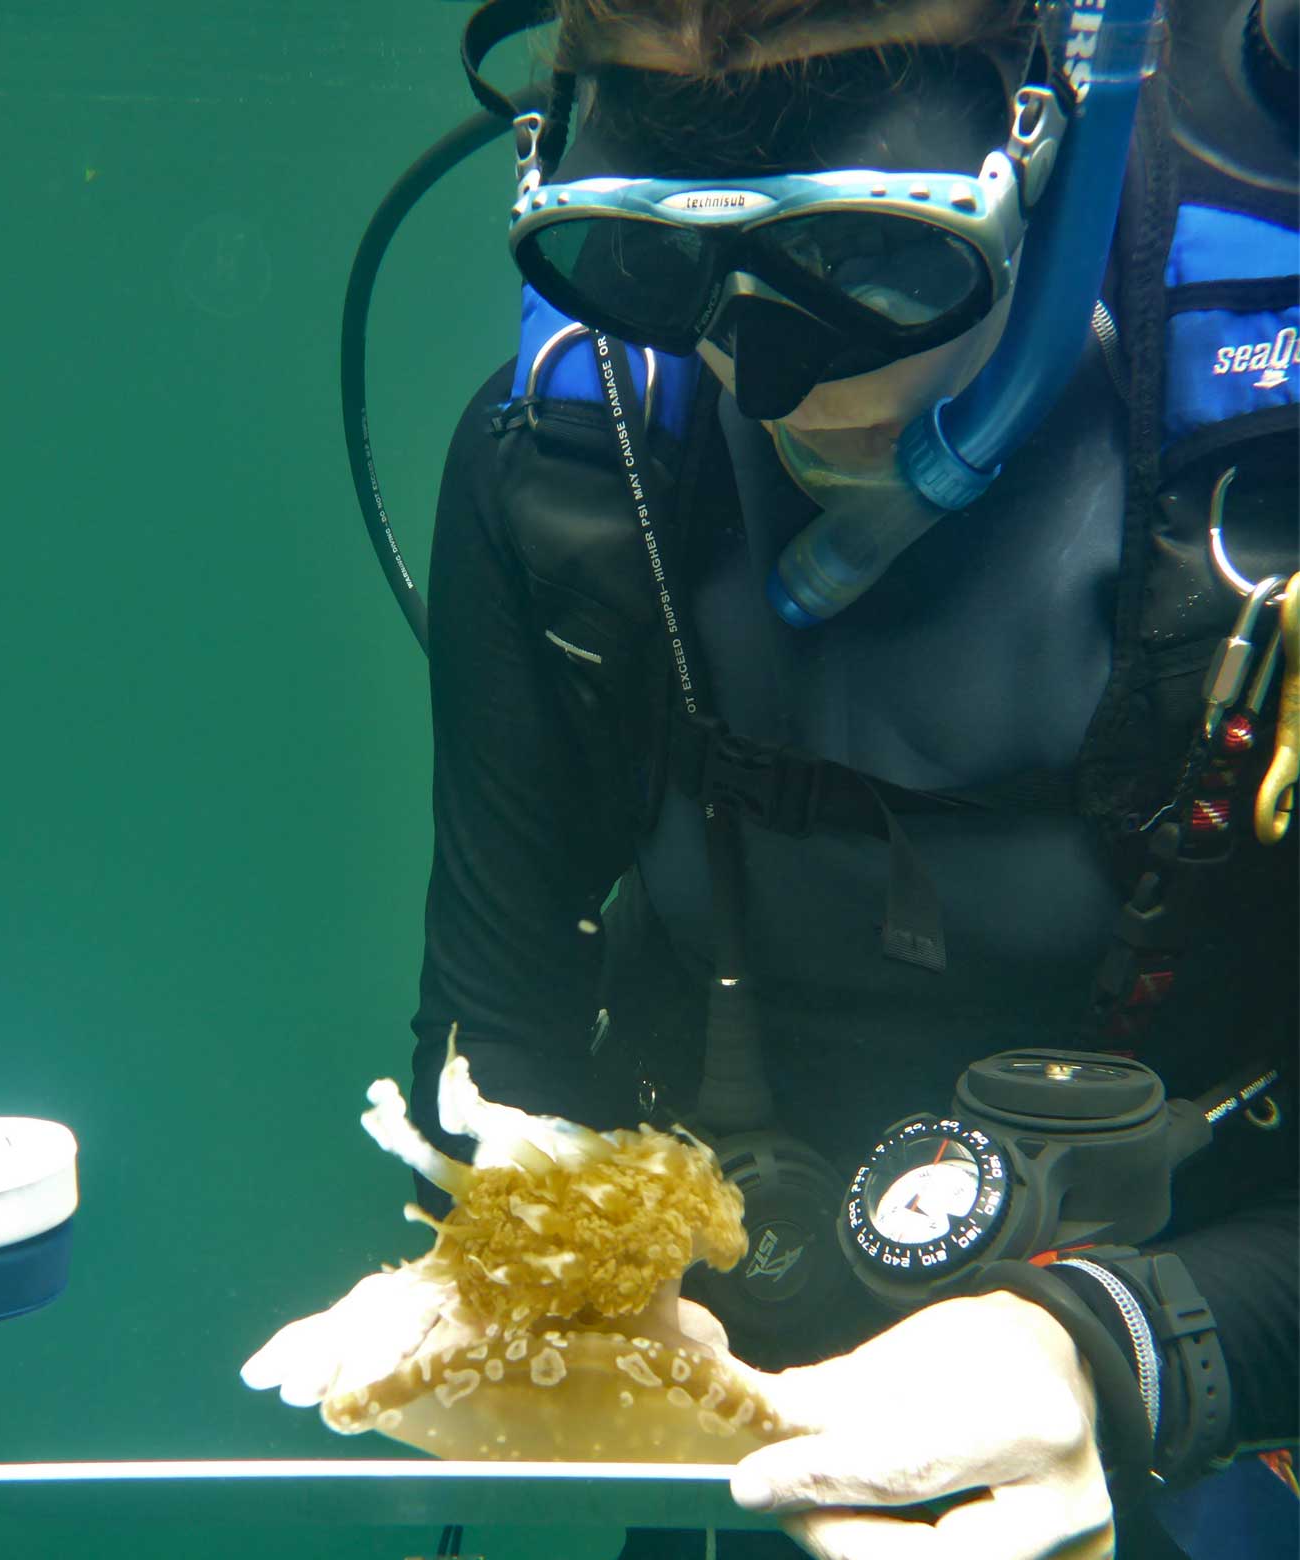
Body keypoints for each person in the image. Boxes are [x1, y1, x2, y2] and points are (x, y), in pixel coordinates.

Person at [246, 2, 1297, 1556]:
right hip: (744, 1372)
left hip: (1224, 1343)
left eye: (874, 258)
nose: (765, 367)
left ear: (1045, 135)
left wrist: (1104, 1347)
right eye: (653, 268)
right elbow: (502, 1036)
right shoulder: (559, 473)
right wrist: (523, 1261)